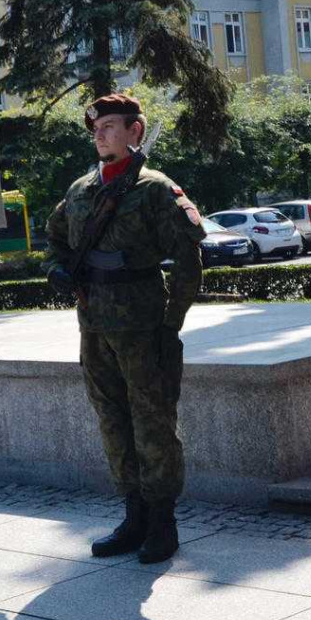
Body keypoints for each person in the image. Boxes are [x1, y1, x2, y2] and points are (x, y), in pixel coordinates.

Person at [44, 93, 205, 563]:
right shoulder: (79, 190)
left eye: (110, 125)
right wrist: (55, 268)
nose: (99, 133)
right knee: (112, 420)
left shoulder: (155, 188)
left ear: (135, 131)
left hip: (142, 325)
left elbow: (189, 260)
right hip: (94, 326)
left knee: (153, 421)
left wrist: (169, 323)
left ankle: (162, 522)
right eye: (95, 127)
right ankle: (132, 515)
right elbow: (55, 240)